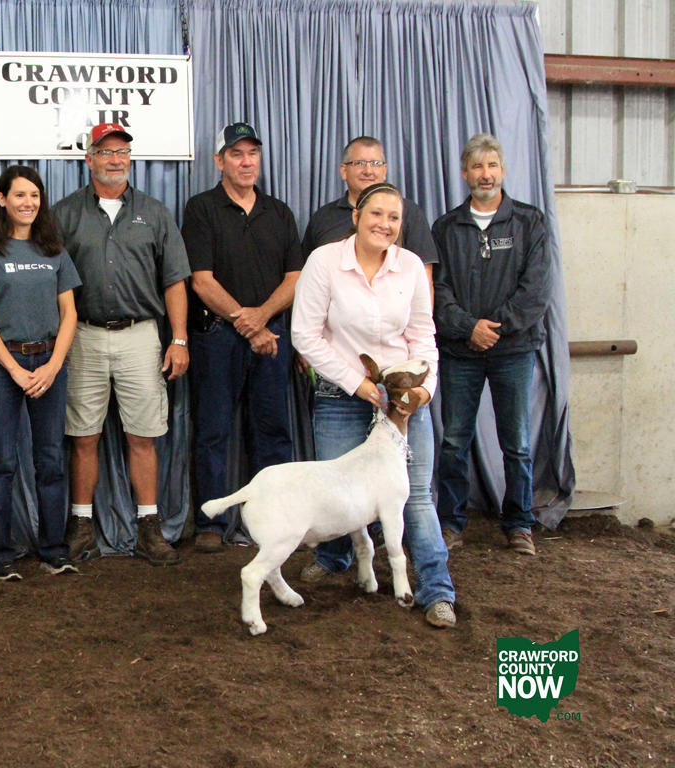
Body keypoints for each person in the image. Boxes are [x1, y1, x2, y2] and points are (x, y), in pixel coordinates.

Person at [291, 182, 457, 629]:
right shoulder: (324, 261)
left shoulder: (410, 267)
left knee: (416, 494)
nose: (385, 224)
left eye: (394, 217)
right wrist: (356, 384)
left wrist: (424, 391)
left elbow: (424, 336)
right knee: (339, 487)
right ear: (356, 218)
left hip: (402, 399)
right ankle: (335, 557)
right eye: (376, 214)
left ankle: (437, 590)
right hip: (341, 394)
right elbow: (305, 334)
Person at [52, 122, 191, 565]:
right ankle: (81, 526)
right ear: (88, 159)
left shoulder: (155, 212)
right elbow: (50, 281)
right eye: (106, 152)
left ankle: (149, 527)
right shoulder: (64, 214)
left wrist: (179, 338)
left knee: (143, 435)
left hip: (141, 335)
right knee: (83, 435)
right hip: (83, 335)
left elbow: (174, 280)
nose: (115, 160)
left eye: (122, 152)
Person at [182, 122, 302, 553]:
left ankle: (276, 520)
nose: (246, 161)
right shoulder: (201, 209)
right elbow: (201, 281)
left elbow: (295, 278)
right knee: (212, 430)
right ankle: (211, 522)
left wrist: (262, 319)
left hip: (272, 337)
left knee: (272, 431)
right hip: (218, 337)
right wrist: (246, 322)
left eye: (252, 153)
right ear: (220, 161)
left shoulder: (279, 213)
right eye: (236, 154)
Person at [432, 134, 552, 556]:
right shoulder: (446, 228)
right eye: (478, 166)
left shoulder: (529, 222)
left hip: (513, 352)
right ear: (465, 173)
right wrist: (469, 328)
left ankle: (519, 524)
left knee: (516, 443)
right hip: (460, 352)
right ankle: (450, 523)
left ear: (502, 170)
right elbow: (437, 290)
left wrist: (494, 329)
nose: (486, 174)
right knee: (454, 441)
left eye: (493, 166)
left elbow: (536, 291)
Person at [0, 166, 82, 580]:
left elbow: (70, 313)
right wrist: (13, 369)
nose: (28, 202)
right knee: (2, 462)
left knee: (50, 460)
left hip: (50, 363)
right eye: (19, 195)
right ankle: (0, 555)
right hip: (2, 368)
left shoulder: (54, 251)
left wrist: (53, 365)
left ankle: (53, 551)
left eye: (34, 195)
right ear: (2, 200)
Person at [301, 136, 438, 281]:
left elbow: (424, 277)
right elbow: (308, 275)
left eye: (375, 163)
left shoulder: (409, 212)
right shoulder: (323, 217)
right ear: (344, 171)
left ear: (384, 170)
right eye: (359, 163)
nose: (368, 170)